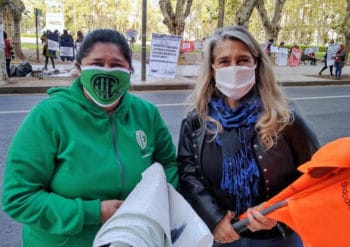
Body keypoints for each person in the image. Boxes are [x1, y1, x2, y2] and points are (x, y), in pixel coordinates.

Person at [2, 28, 178, 247]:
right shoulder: (49, 116)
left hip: (133, 239)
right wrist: (93, 212)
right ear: (79, 68)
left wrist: (159, 202)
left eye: (116, 65)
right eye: (96, 63)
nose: (106, 71)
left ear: (130, 70)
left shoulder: (146, 113)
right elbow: (18, 197)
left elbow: (168, 163)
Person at [177, 26, 320, 246]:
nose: (234, 68)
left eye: (243, 60)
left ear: (256, 65)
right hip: (222, 237)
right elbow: (188, 175)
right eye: (224, 61)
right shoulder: (196, 121)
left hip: (277, 239)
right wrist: (214, 219)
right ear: (213, 70)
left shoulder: (285, 120)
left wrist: (279, 215)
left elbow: (314, 178)